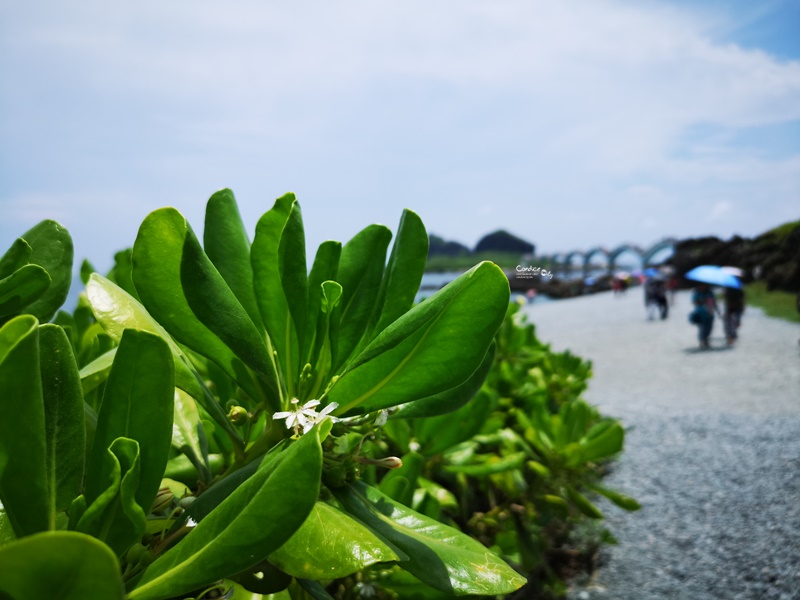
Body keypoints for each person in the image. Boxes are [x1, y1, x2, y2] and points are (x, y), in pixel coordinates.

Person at [690, 283, 718, 349]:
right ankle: (702, 340)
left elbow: (714, 302)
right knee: (702, 328)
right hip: (700, 313)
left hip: (709, 312)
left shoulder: (710, 293)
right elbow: (694, 302)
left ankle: (706, 339)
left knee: (709, 328)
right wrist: (702, 301)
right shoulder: (696, 293)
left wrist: (713, 304)